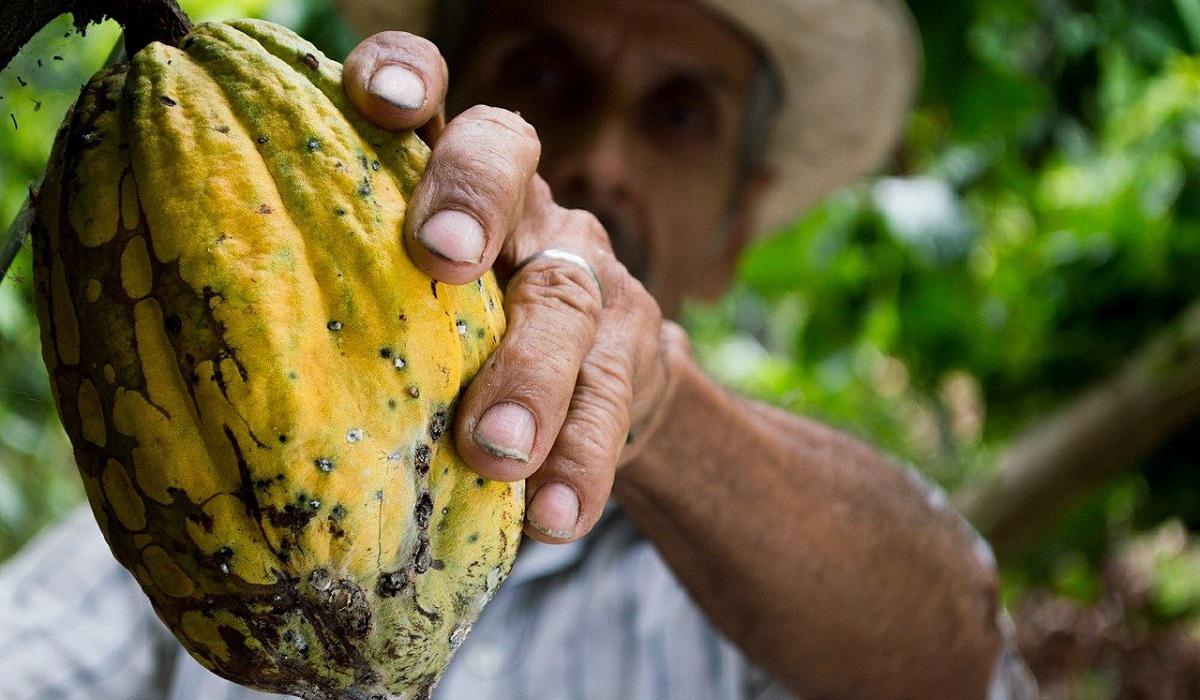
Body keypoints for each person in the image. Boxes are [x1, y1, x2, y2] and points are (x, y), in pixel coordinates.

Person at [0, 0, 1038, 697]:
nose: (600, 153)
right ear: (419, 120)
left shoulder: (760, 597)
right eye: (545, 70)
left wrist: (658, 404)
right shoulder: (196, 491)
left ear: (737, 226)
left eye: (680, 113)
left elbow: (952, 648)